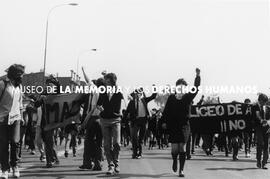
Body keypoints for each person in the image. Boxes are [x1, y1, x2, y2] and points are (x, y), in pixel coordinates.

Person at [162, 68, 201, 177]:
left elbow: (196, 88)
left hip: (184, 125)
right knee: (175, 149)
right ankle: (175, 160)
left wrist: (198, 76)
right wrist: (164, 121)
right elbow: (166, 111)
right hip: (173, 125)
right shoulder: (171, 98)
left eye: (182, 85)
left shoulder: (187, 97)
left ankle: (181, 170)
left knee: (182, 148)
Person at [0, 64, 25, 179]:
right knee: (4, 144)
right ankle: (4, 169)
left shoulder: (19, 87)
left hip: (16, 118)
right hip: (2, 119)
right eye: (20, 74)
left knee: (15, 142)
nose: (22, 76)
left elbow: (20, 105)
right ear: (14, 74)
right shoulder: (2, 84)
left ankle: (15, 166)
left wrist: (22, 116)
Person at [97, 73, 123, 175]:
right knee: (107, 145)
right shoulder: (102, 92)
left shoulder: (118, 91)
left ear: (113, 82)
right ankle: (110, 166)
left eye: (108, 81)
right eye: (105, 82)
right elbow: (98, 105)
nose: (106, 84)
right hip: (104, 120)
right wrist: (100, 108)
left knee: (116, 143)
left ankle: (116, 162)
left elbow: (121, 102)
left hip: (116, 119)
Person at [79, 68, 104, 171]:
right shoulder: (105, 92)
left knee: (88, 142)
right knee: (99, 142)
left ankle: (87, 163)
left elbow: (87, 80)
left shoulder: (95, 90)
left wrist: (84, 71)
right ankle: (98, 164)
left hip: (93, 119)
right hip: (101, 120)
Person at [126, 88, 157, 159]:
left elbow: (153, 96)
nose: (137, 95)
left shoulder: (144, 100)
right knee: (134, 138)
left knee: (141, 139)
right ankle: (134, 153)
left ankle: (139, 153)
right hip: (135, 121)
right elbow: (127, 112)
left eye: (139, 94)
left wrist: (154, 89)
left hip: (143, 121)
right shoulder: (131, 102)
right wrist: (124, 122)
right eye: (135, 94)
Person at [254, 93, 269, 169]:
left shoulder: (268, 108)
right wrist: (261, 121)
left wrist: (267, 121)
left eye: (265, 101)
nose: (263, 103)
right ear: (259, 100)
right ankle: (258, 161)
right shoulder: (255, 107)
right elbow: (257, 116)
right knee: (260, 144)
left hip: (267, 129)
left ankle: (264, 163)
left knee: (266, 145)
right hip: (259, 128)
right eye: (262, 101)